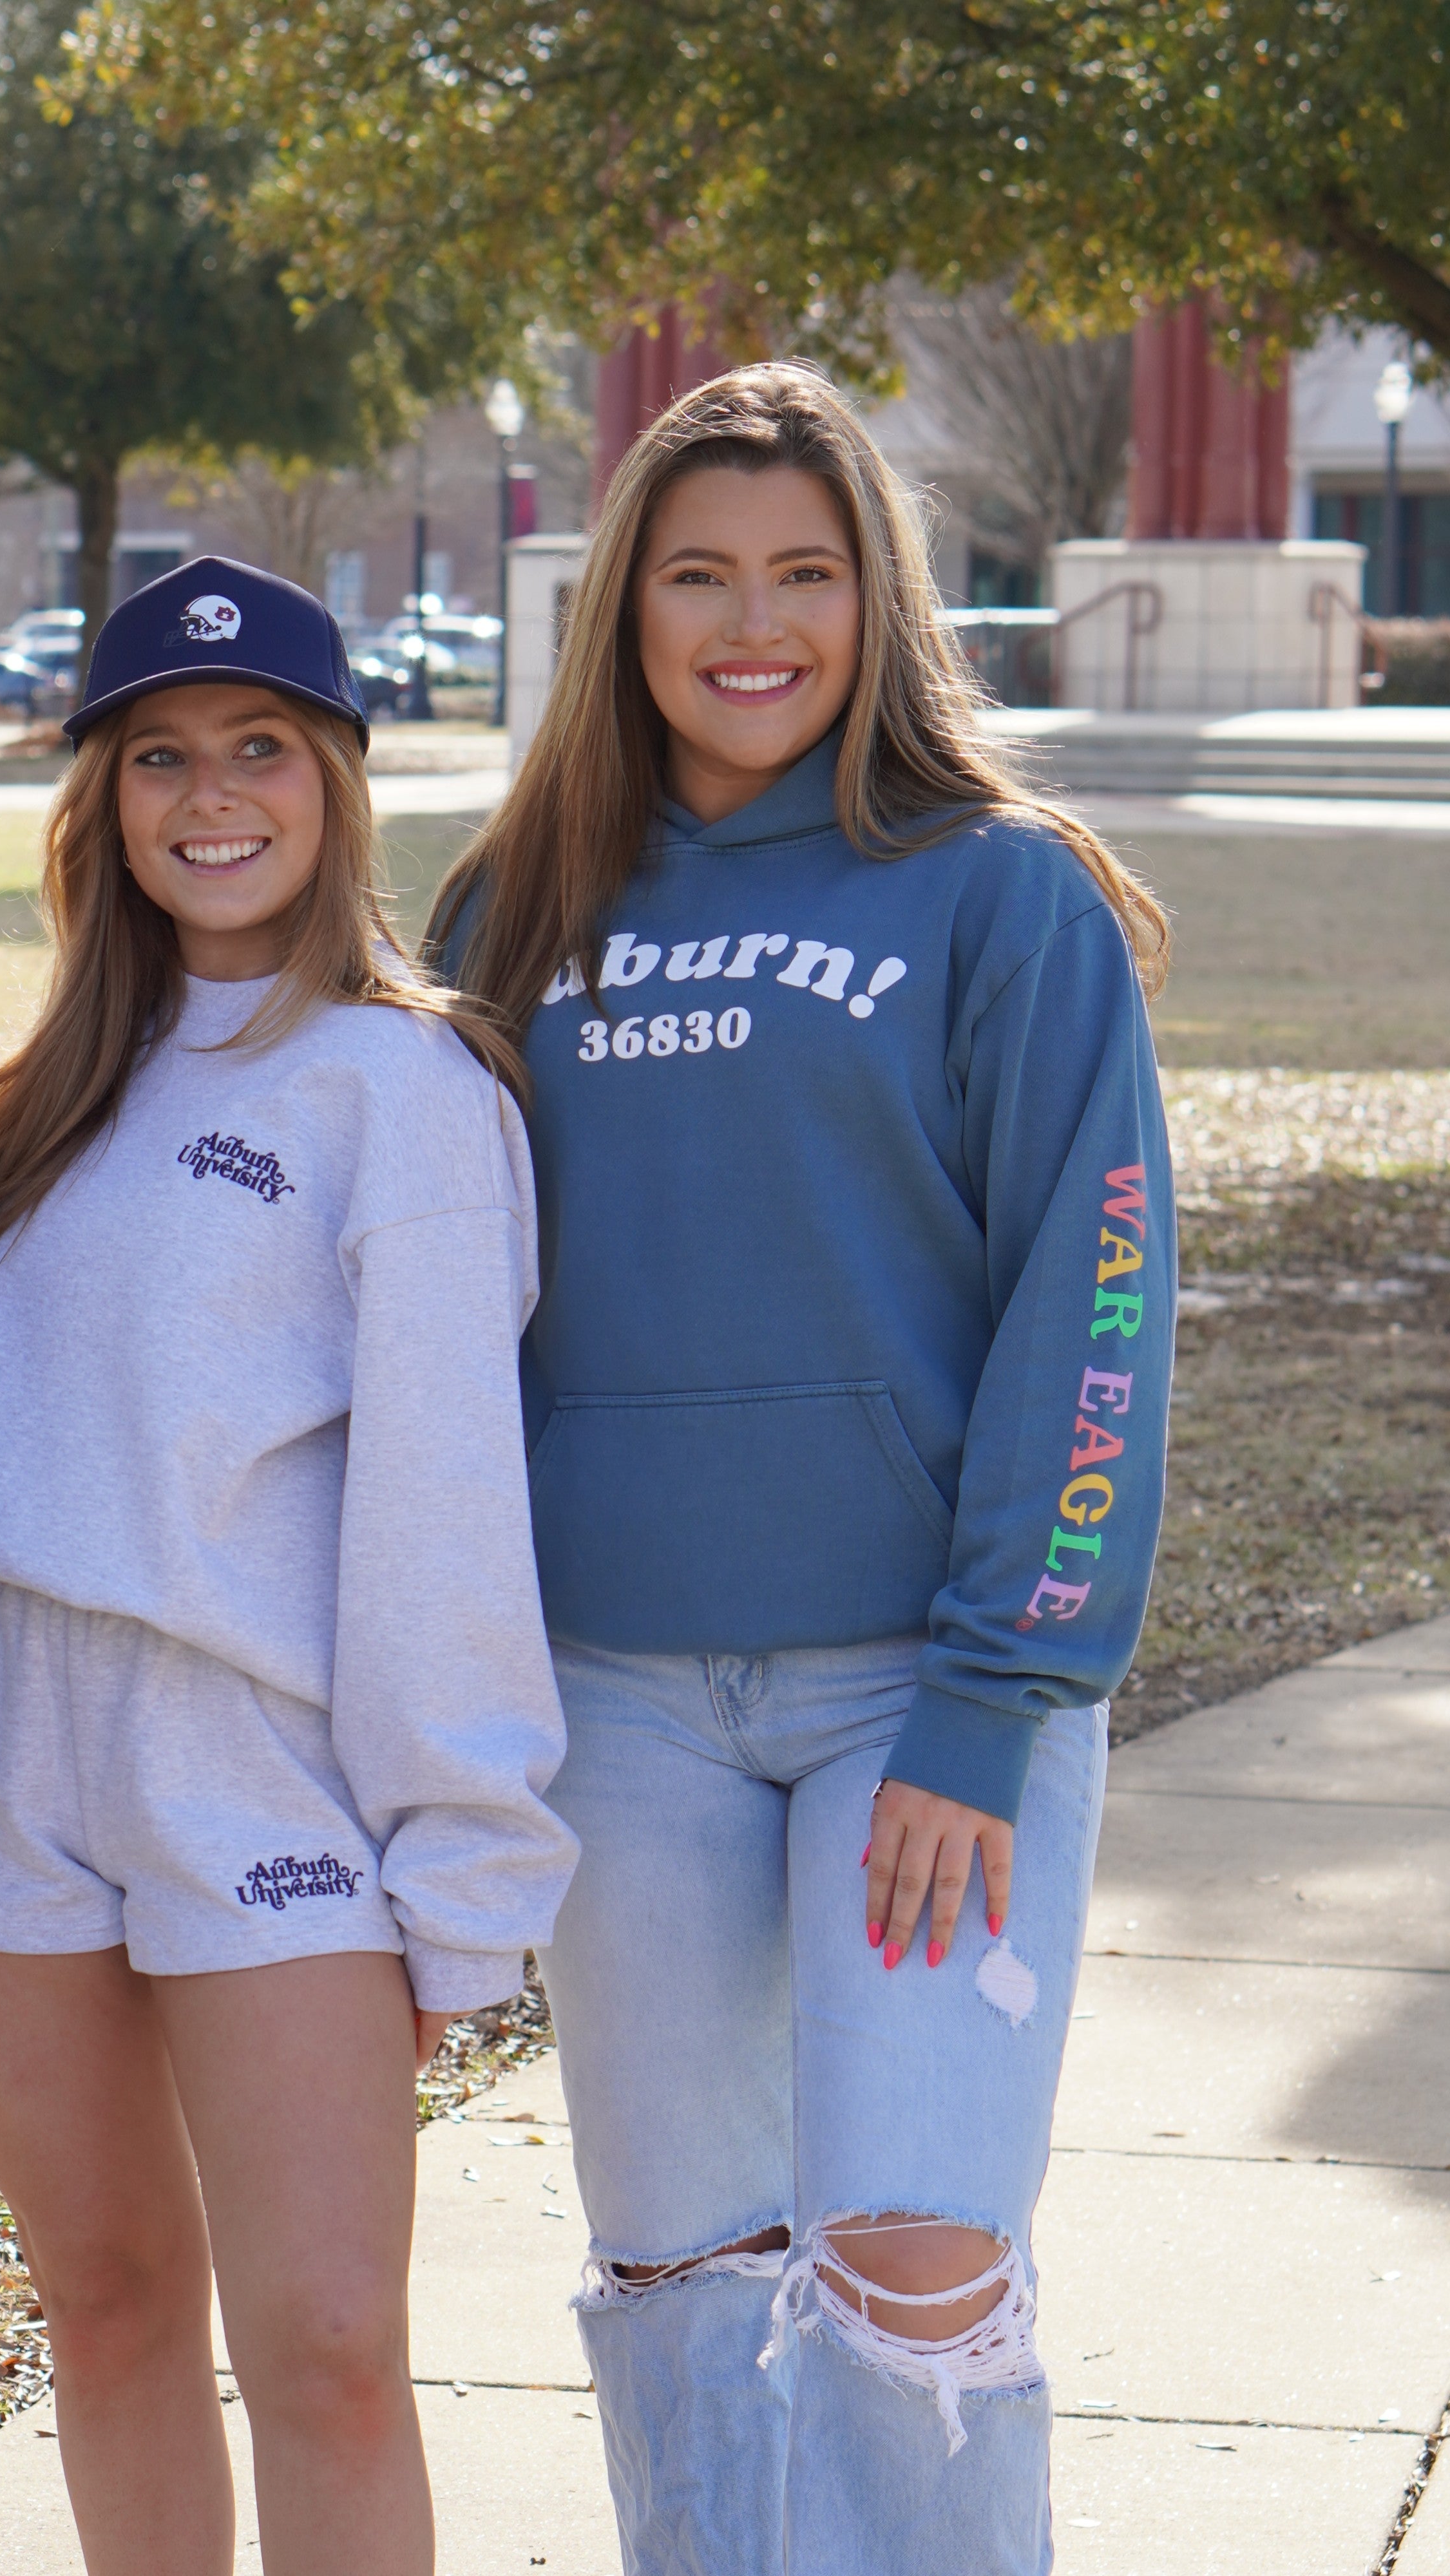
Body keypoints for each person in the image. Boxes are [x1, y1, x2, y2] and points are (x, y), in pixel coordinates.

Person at [431, 363, 1175, 2575]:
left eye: (806, 574)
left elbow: (1095, 1307)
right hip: (618, 1705)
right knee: (679, 2278)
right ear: (624, 611)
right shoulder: (513, 911)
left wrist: (984, 1695)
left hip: (919, 1705)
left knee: (913, 2267)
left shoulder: (998, 898)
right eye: (699, 576)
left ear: (879, 600)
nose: (753, 624)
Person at [0, 558, 577, 2576]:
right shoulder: (32, 1101)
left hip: (261, 1763)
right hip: (1, 1748)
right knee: (105, 2309)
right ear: (100, 798)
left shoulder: (407, 1088)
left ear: (336, 779)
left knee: (334, 2343)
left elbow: (447, 1506)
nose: (212, 794)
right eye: (159, 754)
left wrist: (463, 1867)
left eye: (260, 746)